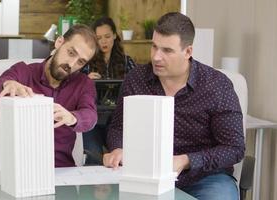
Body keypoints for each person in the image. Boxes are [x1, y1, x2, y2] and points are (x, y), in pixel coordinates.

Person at [104, 12, 245, 200]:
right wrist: (118, 148)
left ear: (188, 52)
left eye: (167, 50)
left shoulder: (216, 86)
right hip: (145, 175)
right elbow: (118, 127)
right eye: (154, 47)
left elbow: (234, 148)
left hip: (204, 178)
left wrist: (185, 161)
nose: (156, 57)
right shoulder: (136, 79)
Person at [0, 24, 99, 167]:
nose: (71, 64)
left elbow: (90, 116)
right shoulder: (23, 71)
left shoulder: (84, 84)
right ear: (59, 42)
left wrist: (72, 117)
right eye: (71, 53)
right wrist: (8, 84)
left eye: (81, 62)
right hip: (18, 167)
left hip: (60, 169)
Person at [81, 17, 137, 165]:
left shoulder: (127, 61)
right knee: (92, 158)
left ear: (114, 35)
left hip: (119, 120)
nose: (103, 42)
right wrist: (86, 80)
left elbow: (139, 85)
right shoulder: (86, 62)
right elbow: (74, 87)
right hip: (94, 119)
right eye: (99, 38)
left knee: (122, 159)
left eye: (107, 36)